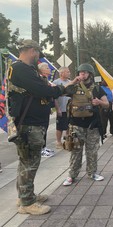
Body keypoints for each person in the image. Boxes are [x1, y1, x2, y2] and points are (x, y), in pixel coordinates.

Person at [8, 39, 70, 215]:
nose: (38, 57)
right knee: (30, 163)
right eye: (37, 52)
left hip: (30, 122)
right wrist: (62, 89)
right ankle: (27, 203)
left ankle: (25, 196)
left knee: (26, 162)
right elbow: (43, 90)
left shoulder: (23, 69)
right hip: (29, 124)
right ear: (31, 51)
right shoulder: (21, 69)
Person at [62, 63, 109, 186]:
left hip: (92, 124)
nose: (82, 74)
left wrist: (99, 102)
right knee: (75, 150)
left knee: (92, 150)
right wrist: (73, 81)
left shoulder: (97, 88)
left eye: (85, 72)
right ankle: (72, 175)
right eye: (80, 72)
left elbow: (107, 103)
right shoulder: (73, 87)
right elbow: (61, 92)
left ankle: (92, 172)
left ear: (90, 74)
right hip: (75, 124)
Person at [37, 62, 55, 157]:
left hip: (45, 107)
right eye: (47, 68)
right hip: (39, 109)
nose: (49, 69)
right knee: (41, 129)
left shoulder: (46, 80)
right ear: (41, 70)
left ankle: (44, 147)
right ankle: (40, 149)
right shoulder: (39, 80)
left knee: (45, 128)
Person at [53, 66, 71, 149]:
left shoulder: (70, 82)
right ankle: (58, 142)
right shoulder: (56, 82)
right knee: (60, 126)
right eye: (67, 72)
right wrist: (58, 109)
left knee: (69, 126)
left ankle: (67, 141)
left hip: (69, 109)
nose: (69, 73)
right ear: (61, 73)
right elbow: (54, 97)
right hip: (61, 107)